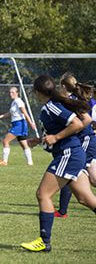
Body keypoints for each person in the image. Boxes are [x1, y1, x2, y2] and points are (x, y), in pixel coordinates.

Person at [20, 75, 96, 252]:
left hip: (68, 155)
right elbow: (59, 128)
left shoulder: (51, 106)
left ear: (37, 92)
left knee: (42, 194)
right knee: (86, 199)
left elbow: (77, 123)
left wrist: (56, 137)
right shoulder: (53, 105)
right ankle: (44, 242)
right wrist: (40, 140)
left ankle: (44, 242)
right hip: (72, 154)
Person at [54, 74, 96, 218]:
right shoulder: (77, 99)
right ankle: (62, 211)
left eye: (60, 86)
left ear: (64, 86)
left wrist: (73, 130)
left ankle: (62, 211)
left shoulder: (71, 101)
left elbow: (88, 119)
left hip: (85, 140)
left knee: (70, 171)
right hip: (87, 140)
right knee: (92, 178)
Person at [0, 87, 36, 166]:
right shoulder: (14, 102)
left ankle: (4, 161)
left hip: (19, 124)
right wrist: (0, 117)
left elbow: (25, 112)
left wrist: (31, 123)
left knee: (5, 141)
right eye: (10, 92)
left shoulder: (18, 101)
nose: (11, 94)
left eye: (13, 92)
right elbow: (10, 113)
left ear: (17, 93)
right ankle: (30, 163)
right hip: (18, 124)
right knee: (23, 144)